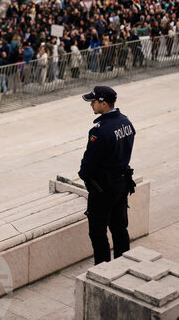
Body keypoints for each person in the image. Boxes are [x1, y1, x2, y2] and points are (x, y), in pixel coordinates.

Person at [78, 85, 135, 264]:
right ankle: (122, 263)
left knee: (97, 232)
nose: (91, 105)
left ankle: (103, 269)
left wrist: (84, 174)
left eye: (93, 101)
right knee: (119, 228)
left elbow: (88, 164)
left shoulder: (99, 131)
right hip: (122, 183)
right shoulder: (126, 122)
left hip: (103, 188)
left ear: (103, 103)